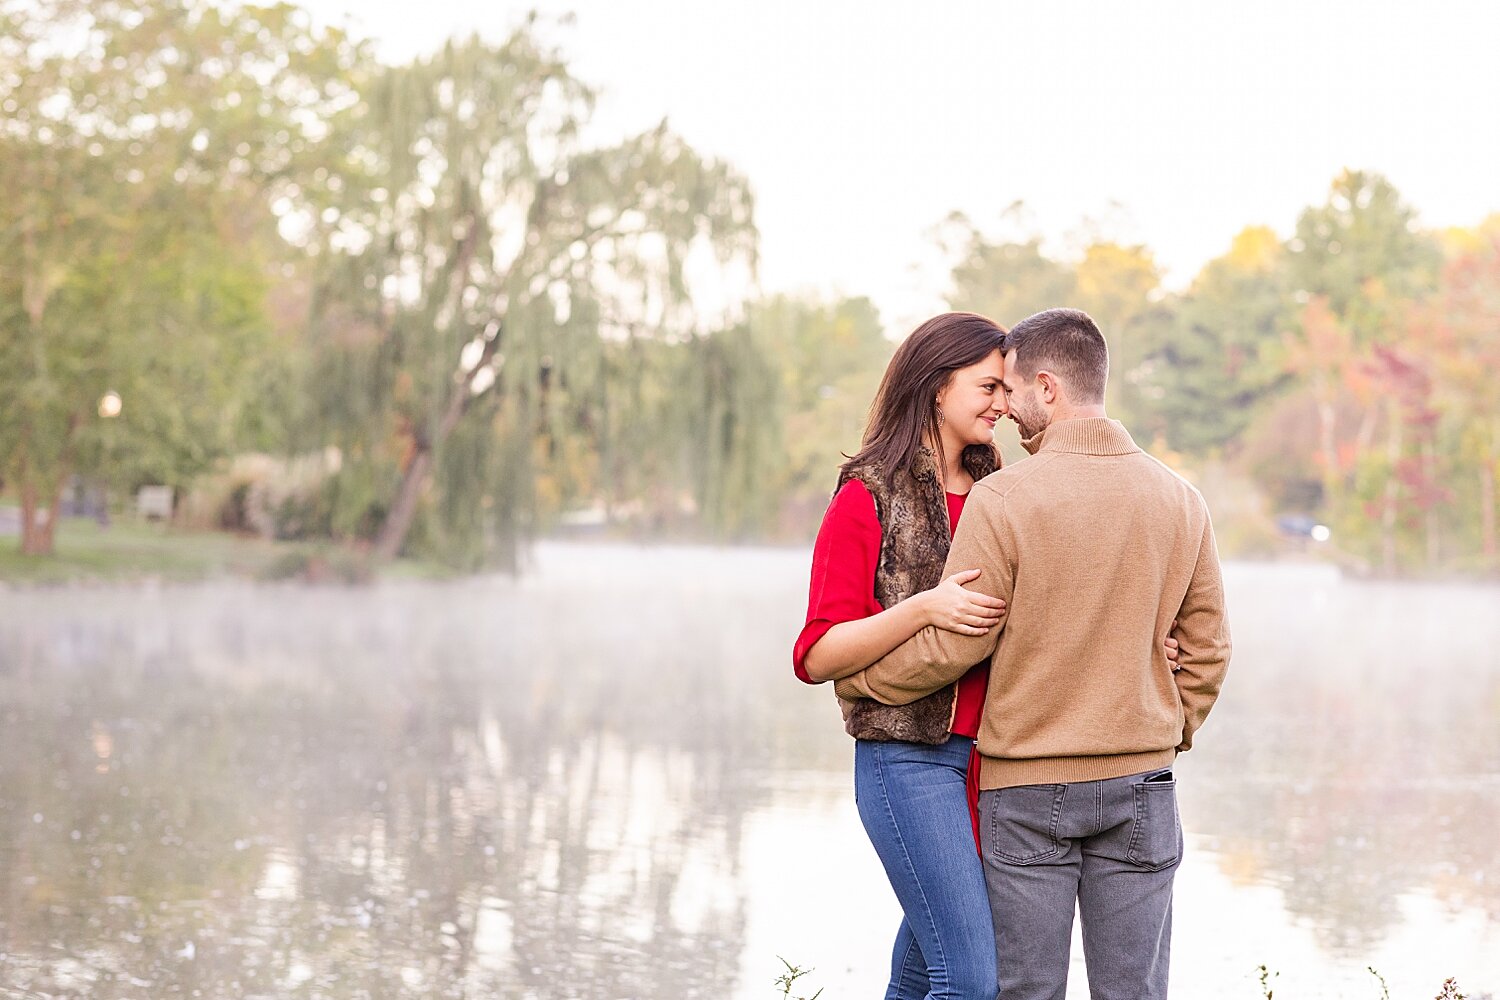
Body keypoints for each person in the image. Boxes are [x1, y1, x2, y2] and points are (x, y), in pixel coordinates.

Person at [834, 308, 1231, 1000]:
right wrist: (1168, 726)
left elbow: (959, 641)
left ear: (1047, 389)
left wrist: (864, 679)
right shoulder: (1182, 499)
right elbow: (1208, 648)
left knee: (1021, 991)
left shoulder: (1003, 497)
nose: (1007, 411)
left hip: (1025, 790)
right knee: (1134, 993)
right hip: (1143, 783)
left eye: (1012, 390)